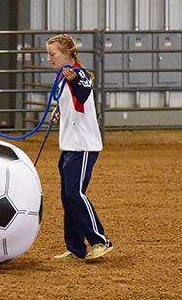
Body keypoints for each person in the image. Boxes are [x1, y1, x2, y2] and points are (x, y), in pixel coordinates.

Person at [46, 34, 113, 261]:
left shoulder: (79, 75)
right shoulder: (65, 78)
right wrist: (59, 111)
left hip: (83, 146)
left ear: (67, 54)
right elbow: (74, 103)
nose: (49, 58)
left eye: (52, 54)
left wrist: (74, 79)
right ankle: (76, 247)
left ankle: (100, 240)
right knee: (68, 197)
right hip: (70, 146)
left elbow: (84, 92)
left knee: (75, 194)